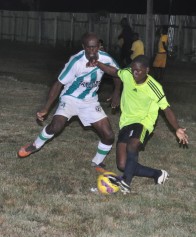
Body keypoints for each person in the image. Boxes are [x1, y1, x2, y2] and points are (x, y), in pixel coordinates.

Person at [18, 32, 121, 168]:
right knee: (56, 126)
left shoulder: (106, 58)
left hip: (90, 101)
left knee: (109, 136)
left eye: (95, 47)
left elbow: (118, 74)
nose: (92, 51)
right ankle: (35, 145)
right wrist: (46, 108)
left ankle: (97, 162)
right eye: (89, 47)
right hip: (70, 98)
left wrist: (117, 92)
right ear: (83, 46)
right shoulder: (76, 61)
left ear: (99, 46)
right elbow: (58, 83)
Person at [87, 55, 189, 194]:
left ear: (147, 70)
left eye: (139, 71)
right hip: (126, 121)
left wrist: (177, 128)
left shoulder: (154, 87)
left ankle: (126, 183)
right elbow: (113, 71)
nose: (135, 73)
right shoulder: (127, 74)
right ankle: (157, 174)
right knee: (123, 164)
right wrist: (98, 63)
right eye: (133, 69)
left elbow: (166, 109)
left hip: (143, 121)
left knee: (133, 144)